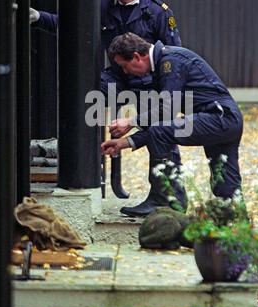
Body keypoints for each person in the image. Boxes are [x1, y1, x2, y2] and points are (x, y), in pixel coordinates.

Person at [30, 0, 187, 214]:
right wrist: (39, 18)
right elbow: (71, 25)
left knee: (162, 132)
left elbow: (173, 54)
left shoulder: (156, 12)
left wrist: (167, 96)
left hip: (149, 84)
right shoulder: (103, 5)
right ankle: (80, 165)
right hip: (118, 78)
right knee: (85, 93)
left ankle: (168, 199)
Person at [101, 33, 244, 217]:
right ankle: (237, 229)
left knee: (162, 132)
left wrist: (131, 122)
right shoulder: (165, 62)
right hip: (225, 119)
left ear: (137, 56)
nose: (126, 72)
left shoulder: (170, 62)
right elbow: (162, 124)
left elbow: (166, 112)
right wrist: (126, 143)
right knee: (225, 183)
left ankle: (167, 200)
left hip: (218, 117)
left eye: (124, 66)